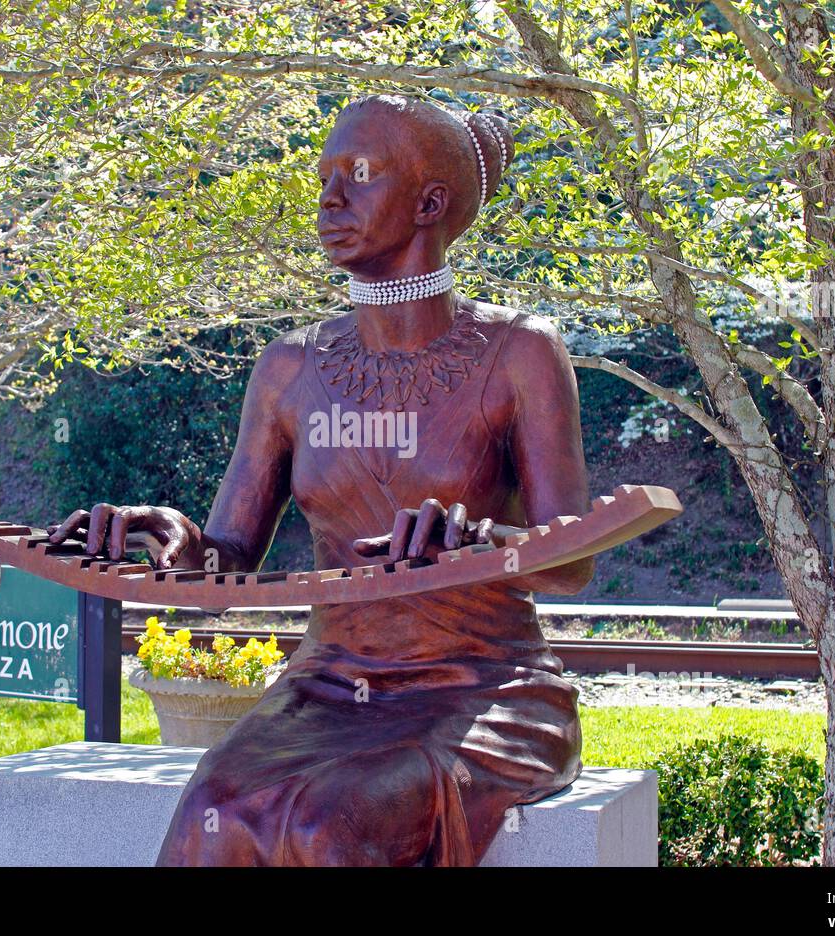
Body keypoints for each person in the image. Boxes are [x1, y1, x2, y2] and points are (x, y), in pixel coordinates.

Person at [49, 94, 595, 865]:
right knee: (213, 812)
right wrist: (174, 542)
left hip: (483, 686)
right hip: (331, 684)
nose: (329, 199)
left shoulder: (520, 352)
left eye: (359, 173)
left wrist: (479, 542)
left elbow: (570, 562)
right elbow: (231, 553)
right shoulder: (289, 368)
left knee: (329, 826)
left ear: (429, 202)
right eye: (324, 175)